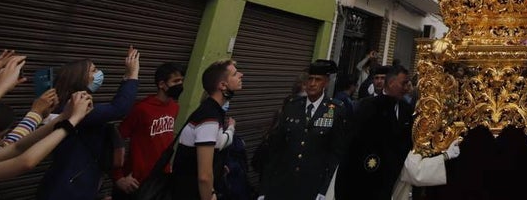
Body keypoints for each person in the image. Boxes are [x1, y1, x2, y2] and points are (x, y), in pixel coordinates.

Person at [0, 62, 95, 198]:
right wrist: (71, 121)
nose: (2, 142)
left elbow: (17, 146)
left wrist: (64, 117)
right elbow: (24, 162)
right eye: (1, 136)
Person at [38, 47, 141, 200]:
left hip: (72, 184)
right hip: (68, 190)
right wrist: (132, 75)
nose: (99, 73)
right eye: (94, 70)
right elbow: (119, 108)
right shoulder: (75, 109)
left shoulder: (70, 106)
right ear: (80, 79)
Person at [257, 60, 348, 200]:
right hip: (283, 184)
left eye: (317, 80)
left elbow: (335, 155)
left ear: (326, 83)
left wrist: (325, 190)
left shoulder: (336, 110)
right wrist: (264, 189)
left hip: (312, 186)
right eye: (310, 79)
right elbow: (275, 150)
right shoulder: (292, 106)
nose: (312, 83)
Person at [335, 64, 414, 200]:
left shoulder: (407, 109)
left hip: (394, 180)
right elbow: (352, 145)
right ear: (391, 83)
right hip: (365, 179)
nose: (407, 88)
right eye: (403, 83)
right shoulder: (366, 106)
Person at [171, 59, 242, 200]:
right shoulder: (209, 117)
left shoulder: (211, 111)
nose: (241, 75)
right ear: (223, 85)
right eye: (234, 74)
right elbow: (204, 176)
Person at [112, 62, 184, 198]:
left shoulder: (175, 107)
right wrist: (119, 178)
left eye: (181, 80)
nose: (180, 84)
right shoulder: (142, 109)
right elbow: (117, 139)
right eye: (176, 81)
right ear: (162, 84)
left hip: (161, 179)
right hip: (137, 181)